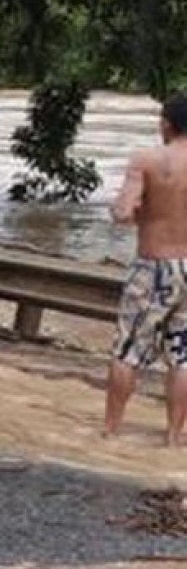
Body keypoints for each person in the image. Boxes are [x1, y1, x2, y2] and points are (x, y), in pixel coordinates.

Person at [105, 95, 187, 444]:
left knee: (128, 349)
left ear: (166, 123)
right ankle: (173, 434)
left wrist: (130, 209)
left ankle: (112, 428)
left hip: (154, 264)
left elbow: (124, 211)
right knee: (183, 354)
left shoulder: (148, 159)